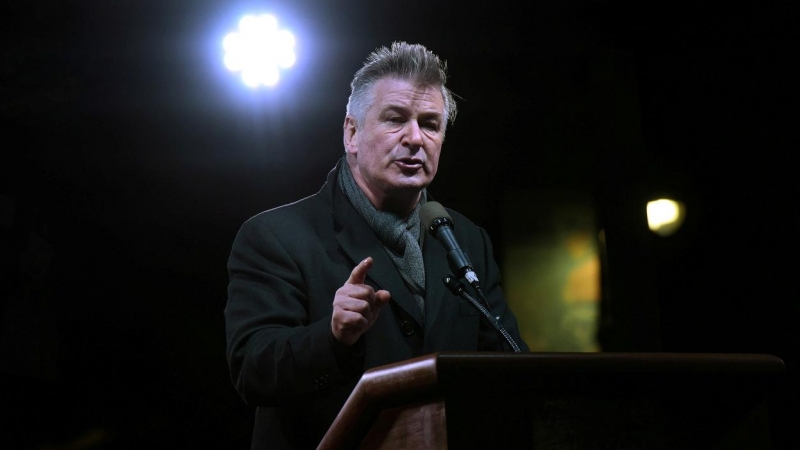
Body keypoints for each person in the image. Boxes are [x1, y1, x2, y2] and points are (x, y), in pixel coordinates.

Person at [224, 41, 529, 450]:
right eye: (395, 119)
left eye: (430, 124)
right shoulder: (276, 236)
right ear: (352, 133)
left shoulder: (466, 239)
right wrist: (332, 338)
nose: (415, 138)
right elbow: (252, 371)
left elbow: (511, 364)